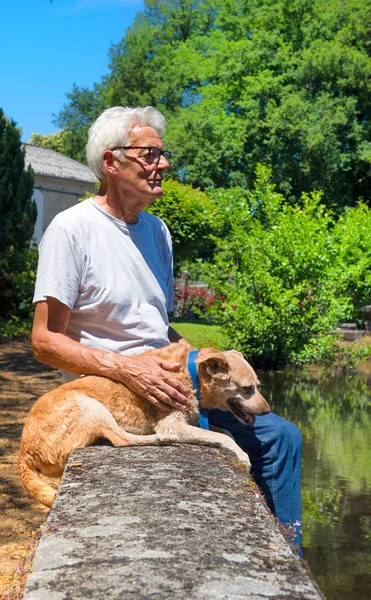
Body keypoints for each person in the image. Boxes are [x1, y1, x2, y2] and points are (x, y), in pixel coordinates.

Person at [31, 106, 302, 549]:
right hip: (120, 398)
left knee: (283, 437)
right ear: (111, 161)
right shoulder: (71, 230)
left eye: (163, 154)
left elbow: (159, 326)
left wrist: (200, 363)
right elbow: (44, 341)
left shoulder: (157, 232)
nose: (164, 165)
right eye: (150, 154)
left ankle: (286, 552)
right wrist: (128, 369)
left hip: (175, 387)